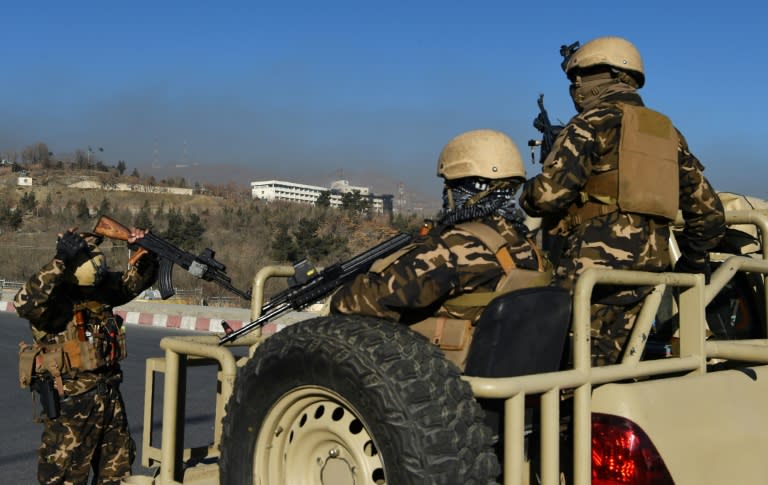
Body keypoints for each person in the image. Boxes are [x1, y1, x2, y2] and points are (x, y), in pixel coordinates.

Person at [519, 36, 726, 365]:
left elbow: (546, 197)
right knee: (614, 369)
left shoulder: (590, 123)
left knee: (561, 371)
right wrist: (690, 266)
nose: (575, 85)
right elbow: (710, 215)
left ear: (597, 78)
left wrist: (526, 188)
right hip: (649, 276)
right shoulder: (668, 133)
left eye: (579, 77)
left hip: (588, 275)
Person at [330, 129, 550, 360]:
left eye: (450, 186)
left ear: (468, 189)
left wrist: (337, 292)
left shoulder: (454, 247)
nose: (447, 195)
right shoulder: (525, 245)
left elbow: (358, 303)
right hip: (513, 373)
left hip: (444, 382)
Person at [15, 226, 158, 485]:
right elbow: (24, 302)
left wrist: (146, 254)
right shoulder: (53, 302)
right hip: (71, 405)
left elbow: (132, 284)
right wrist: (60, 260)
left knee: (117, 475)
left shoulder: (100, 292)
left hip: (108, 398)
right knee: (63, 478)